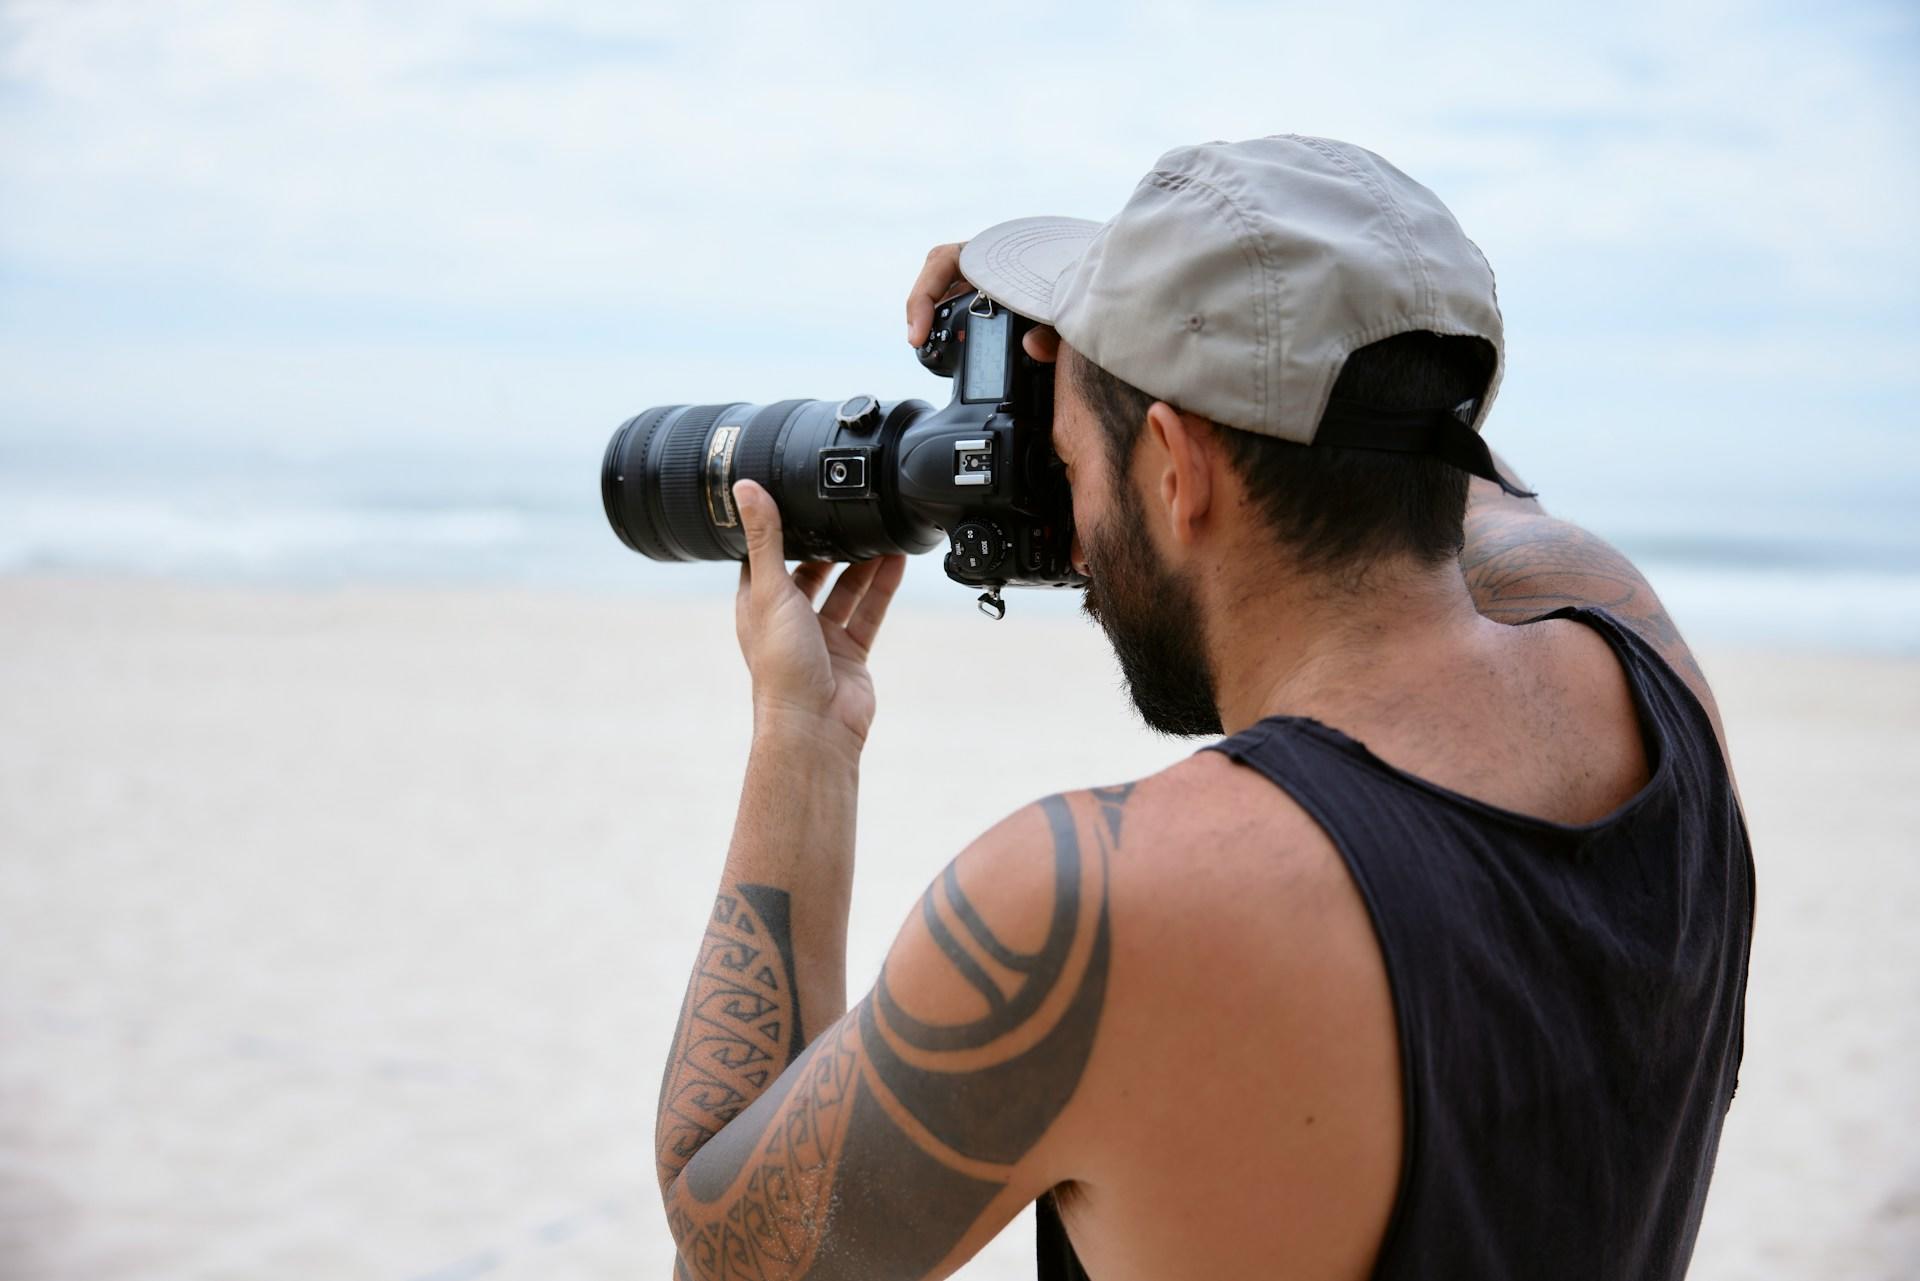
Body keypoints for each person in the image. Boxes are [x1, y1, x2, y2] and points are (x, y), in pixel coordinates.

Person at [651, 135, 1754, 1281]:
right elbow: (1397, 434)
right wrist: (1129, 339)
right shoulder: (1632, 648)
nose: (1069, 531)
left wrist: (803, 736)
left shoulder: (1100, 902)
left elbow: (726, 1249)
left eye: (1068, 462)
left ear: (1177, 468)